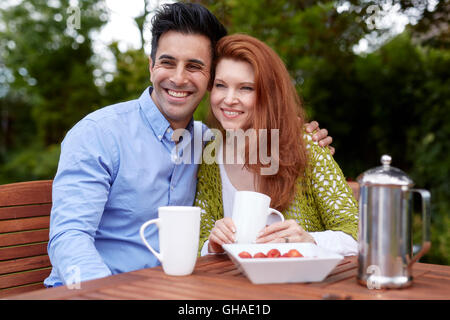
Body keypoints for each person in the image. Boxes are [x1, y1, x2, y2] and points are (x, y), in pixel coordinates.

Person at [44, 3, 333, 287]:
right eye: (167, 62)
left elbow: (270, 143)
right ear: (151, 66)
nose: (179, 78)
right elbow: (69, 237)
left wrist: (304, 140)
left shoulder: (208, 143)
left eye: (194, 66)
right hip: (99, 291)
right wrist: (106, 294)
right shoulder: (99, 134)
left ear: (210, 80)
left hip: (176, 290)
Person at [195, 34, 359, 257]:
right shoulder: (210, 156)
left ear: (268, 95)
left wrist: (310, 240)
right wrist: (212, 245)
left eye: (246, 88)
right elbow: (199, 243)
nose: (229, 98)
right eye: (221, 85)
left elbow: (357, 235)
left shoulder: (308, 148)